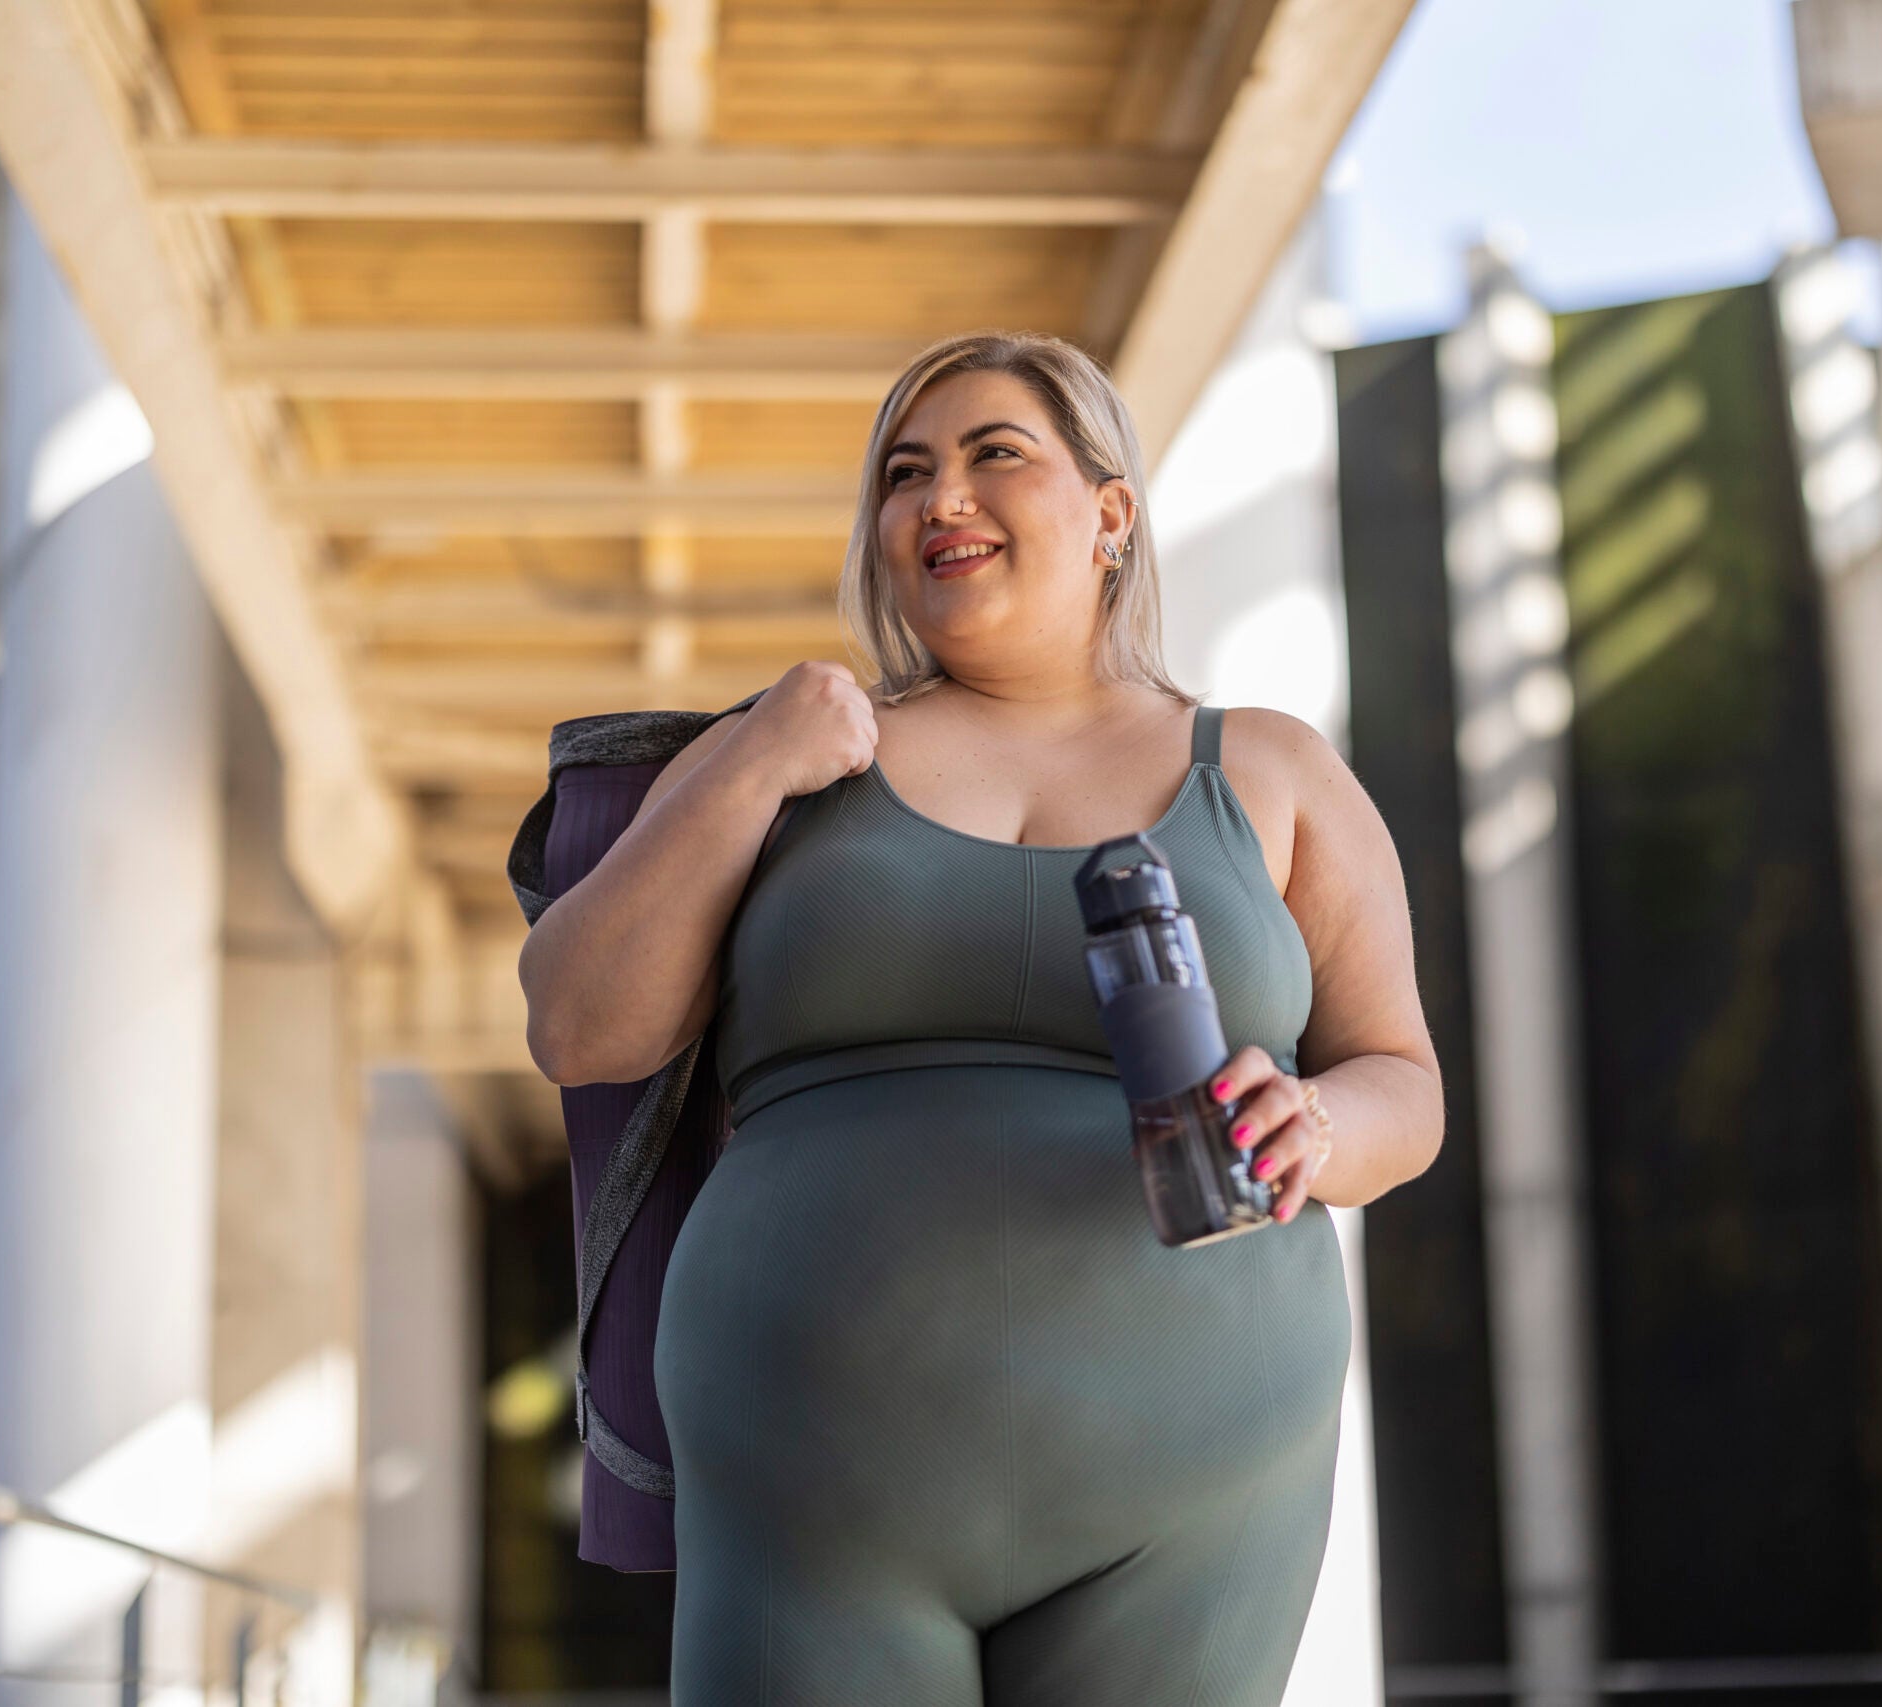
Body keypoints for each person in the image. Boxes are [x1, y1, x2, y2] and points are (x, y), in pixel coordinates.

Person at [519, 330, 1443, 1706]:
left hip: (1194, 1489)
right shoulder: (788, 754)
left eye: (992, 455)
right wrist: (757, 758)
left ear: (1109, 513)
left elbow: (1403, 1085)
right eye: (905, 474)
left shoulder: (1271, 768)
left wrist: (1316, 1122)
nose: (940, 497)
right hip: (811, 1479)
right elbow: (579, 1023)